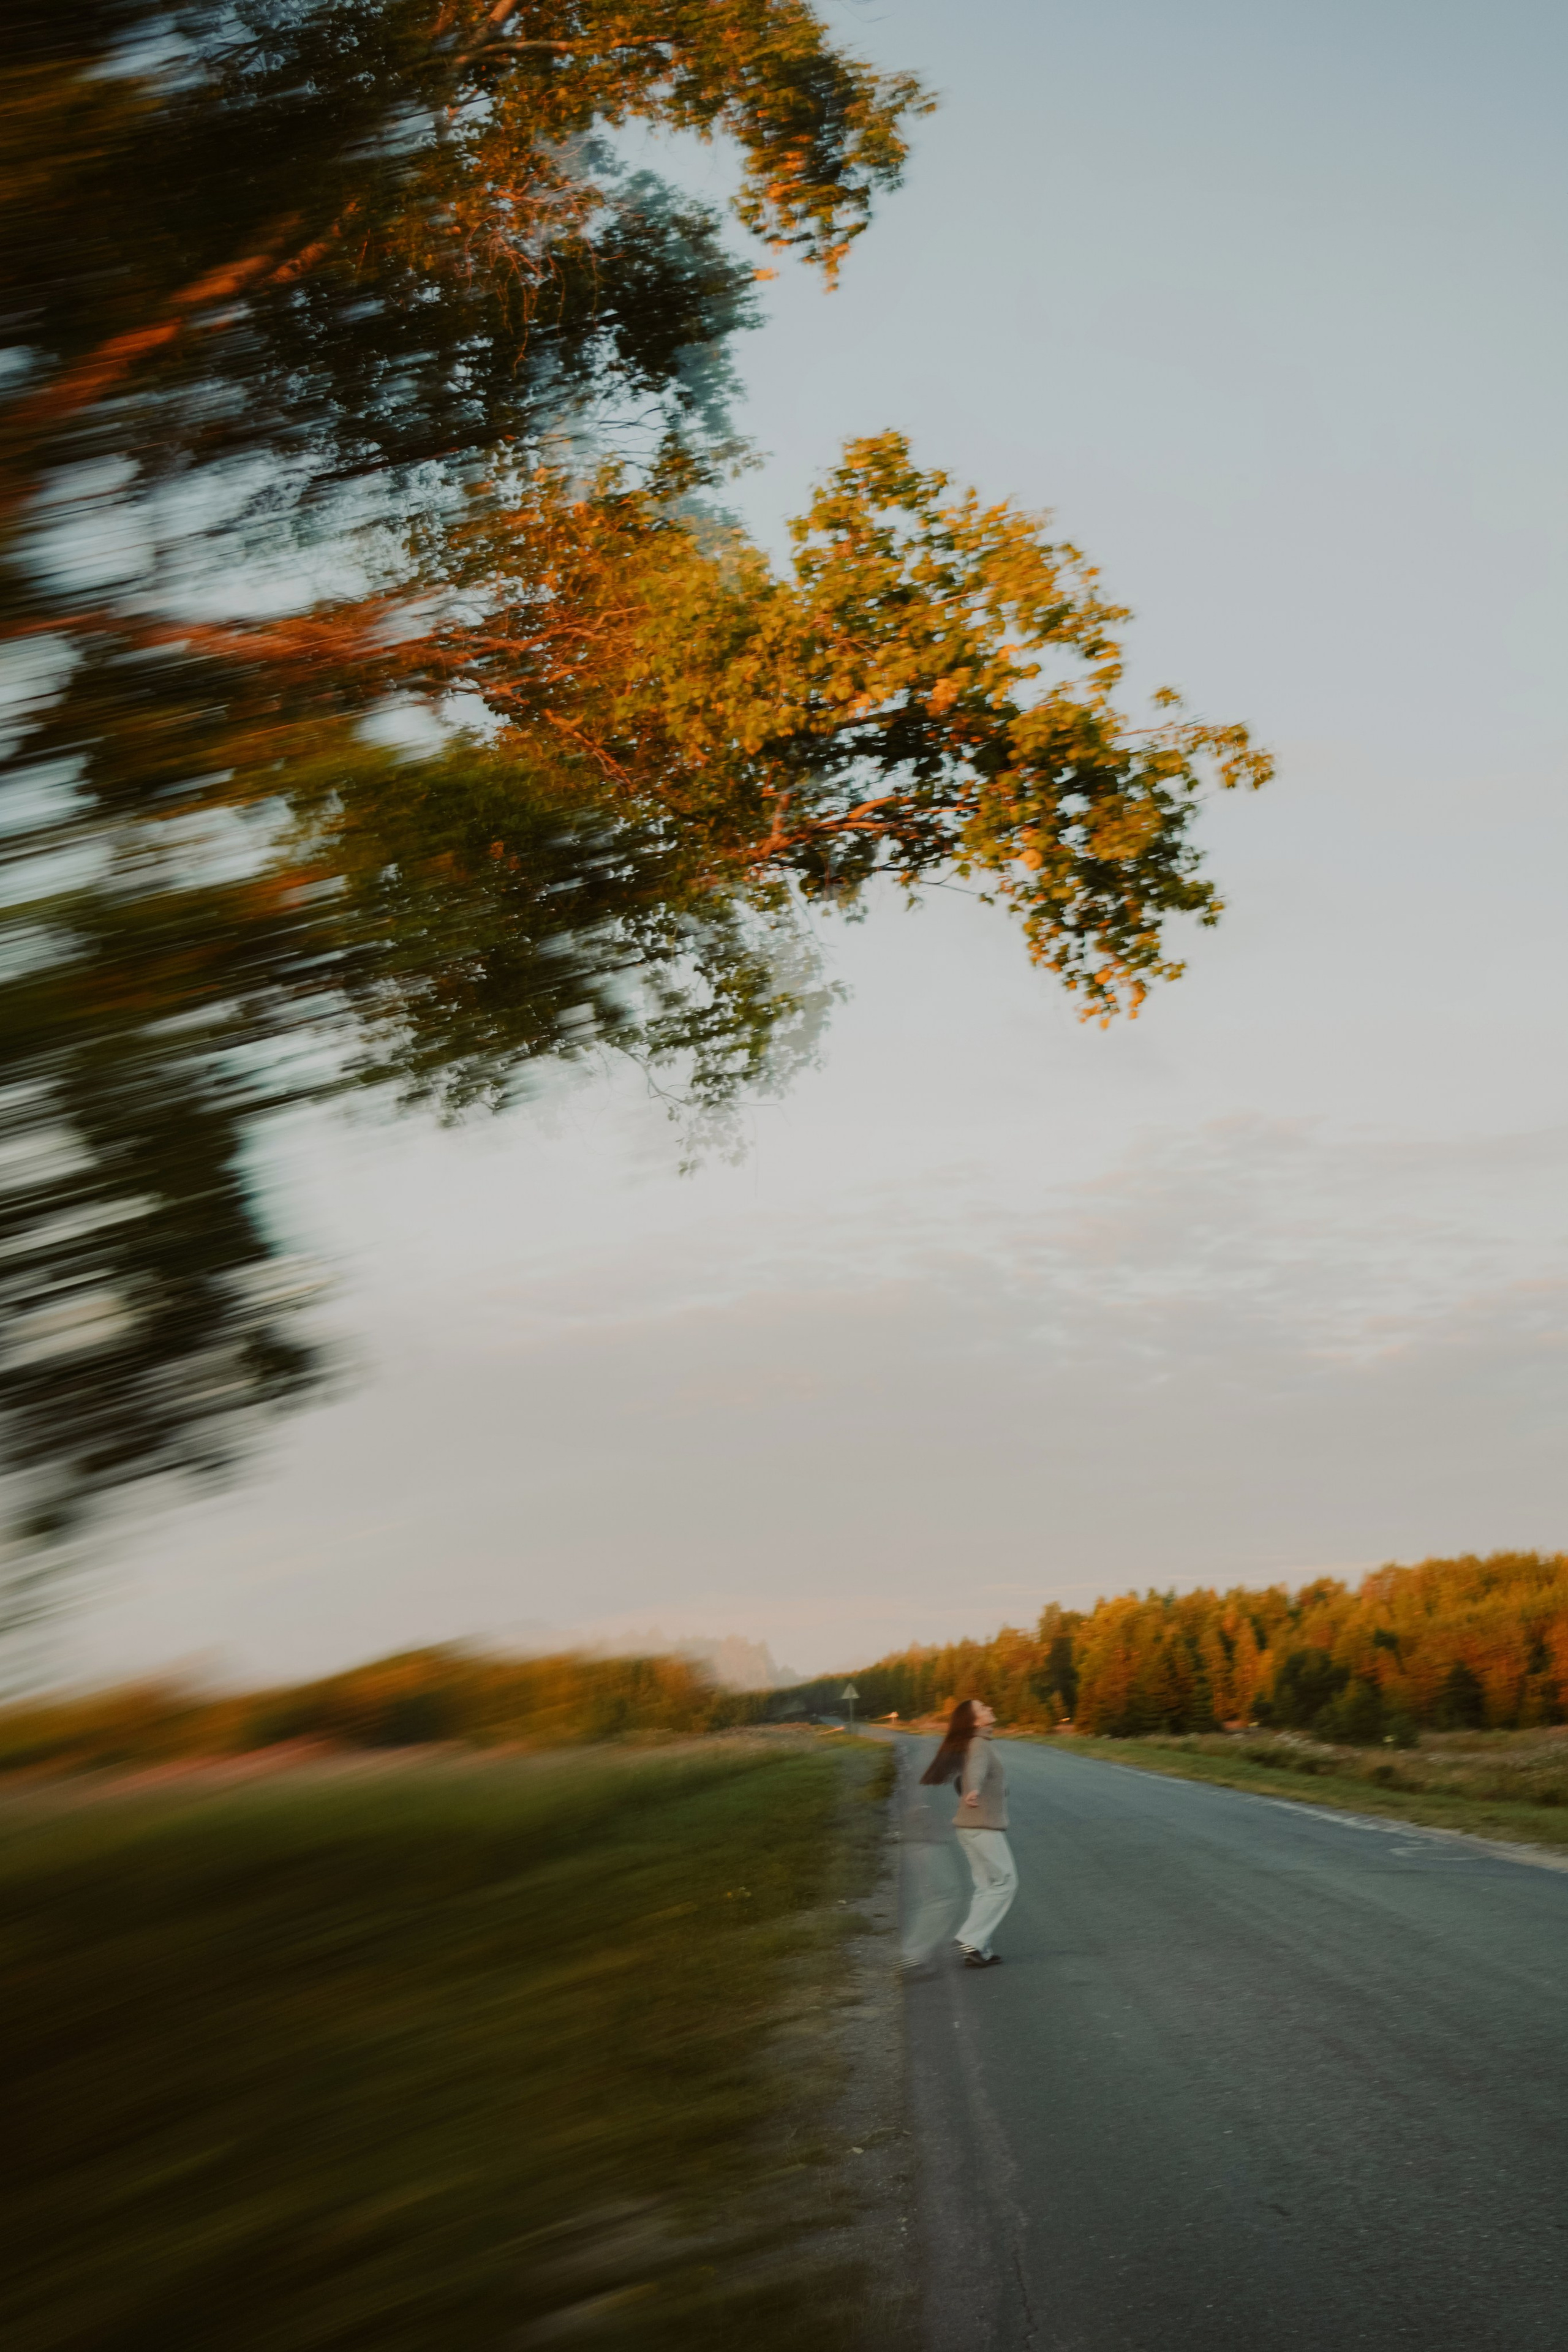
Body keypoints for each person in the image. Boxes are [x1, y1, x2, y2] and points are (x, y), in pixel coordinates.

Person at [919, 1698, 1017, 1968]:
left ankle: (979, 1951)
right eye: (984, 1708)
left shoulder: (977, 1742)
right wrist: (973, 1789)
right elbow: (976, 1769)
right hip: (982, 1827)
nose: (991, 1708)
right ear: (975, 1722)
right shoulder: (979, 1743)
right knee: (1005, 1883)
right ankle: (971, 1939)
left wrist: (979, 1788)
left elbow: (975, 1769)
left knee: (986, 1887)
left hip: (970, 1827)